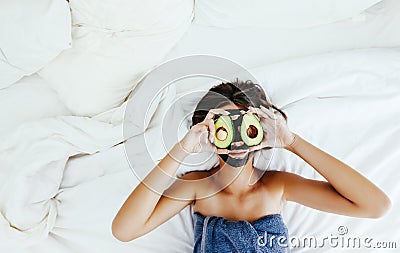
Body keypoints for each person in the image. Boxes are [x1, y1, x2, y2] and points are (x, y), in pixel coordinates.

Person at [112, 80, 391, 252]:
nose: (236, 138)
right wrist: (182, 149)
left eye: (246, 126)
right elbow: (124, 231)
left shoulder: (277, 185)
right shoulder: (196, 186)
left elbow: (375, 206)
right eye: (226, 127)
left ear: (260, 131)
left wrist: (291, 141)